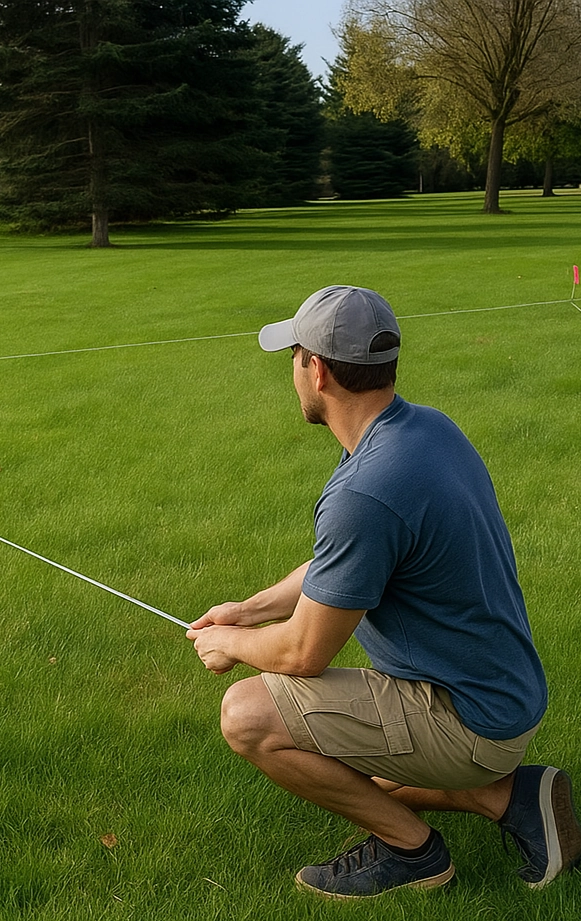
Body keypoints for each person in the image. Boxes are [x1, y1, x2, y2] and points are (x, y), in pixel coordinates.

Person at [187, 285, 581, 899]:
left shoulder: (366, 491)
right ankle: (515, 798)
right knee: (359, 773)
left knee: (249, 717)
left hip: (468, 717)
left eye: (293, 356)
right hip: (505, 695)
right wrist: (246, 609)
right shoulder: (423, 430)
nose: (292, 371)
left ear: (316, 371)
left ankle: (413, 852)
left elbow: (300, 655)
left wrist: (232, 643)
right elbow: (341, 565)